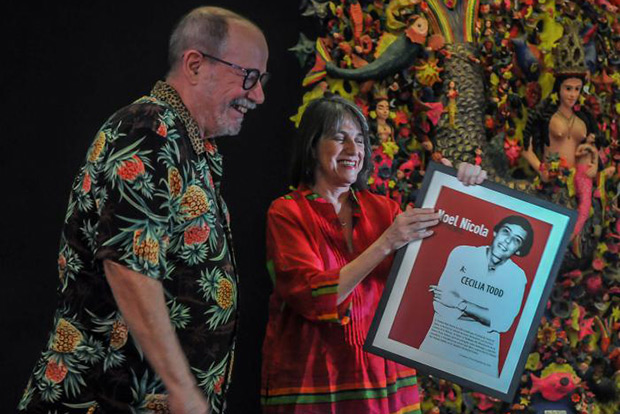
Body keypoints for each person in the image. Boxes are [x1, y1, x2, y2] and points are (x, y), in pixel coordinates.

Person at [18, 6, 268, 414]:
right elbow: (128, 264)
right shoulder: (149, 128)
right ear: (194, 64)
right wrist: (181, 387)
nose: (258, 95)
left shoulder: (190, 145)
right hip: (103, 400)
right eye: (250, 76)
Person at [260, 95, 486, 413]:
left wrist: (464, 189)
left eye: (359, 140)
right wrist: (386, 242)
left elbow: (439, 272)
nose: (354, 151)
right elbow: (312, 296)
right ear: (312, 146)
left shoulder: (385, 209)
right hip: (316, 385)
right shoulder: (286, 212)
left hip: (385, 385)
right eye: (340, 138)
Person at [420, 215, 534, 377]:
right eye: (506, 232)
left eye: (516, 240)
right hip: (440, 342)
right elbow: (441, 304)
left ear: (519, 250)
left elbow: (503, 323)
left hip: (481, 358)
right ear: (495, 232)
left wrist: (460, 302)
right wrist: (486, 315)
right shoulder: (461, 254)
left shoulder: (518, 277)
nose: (507, 242)